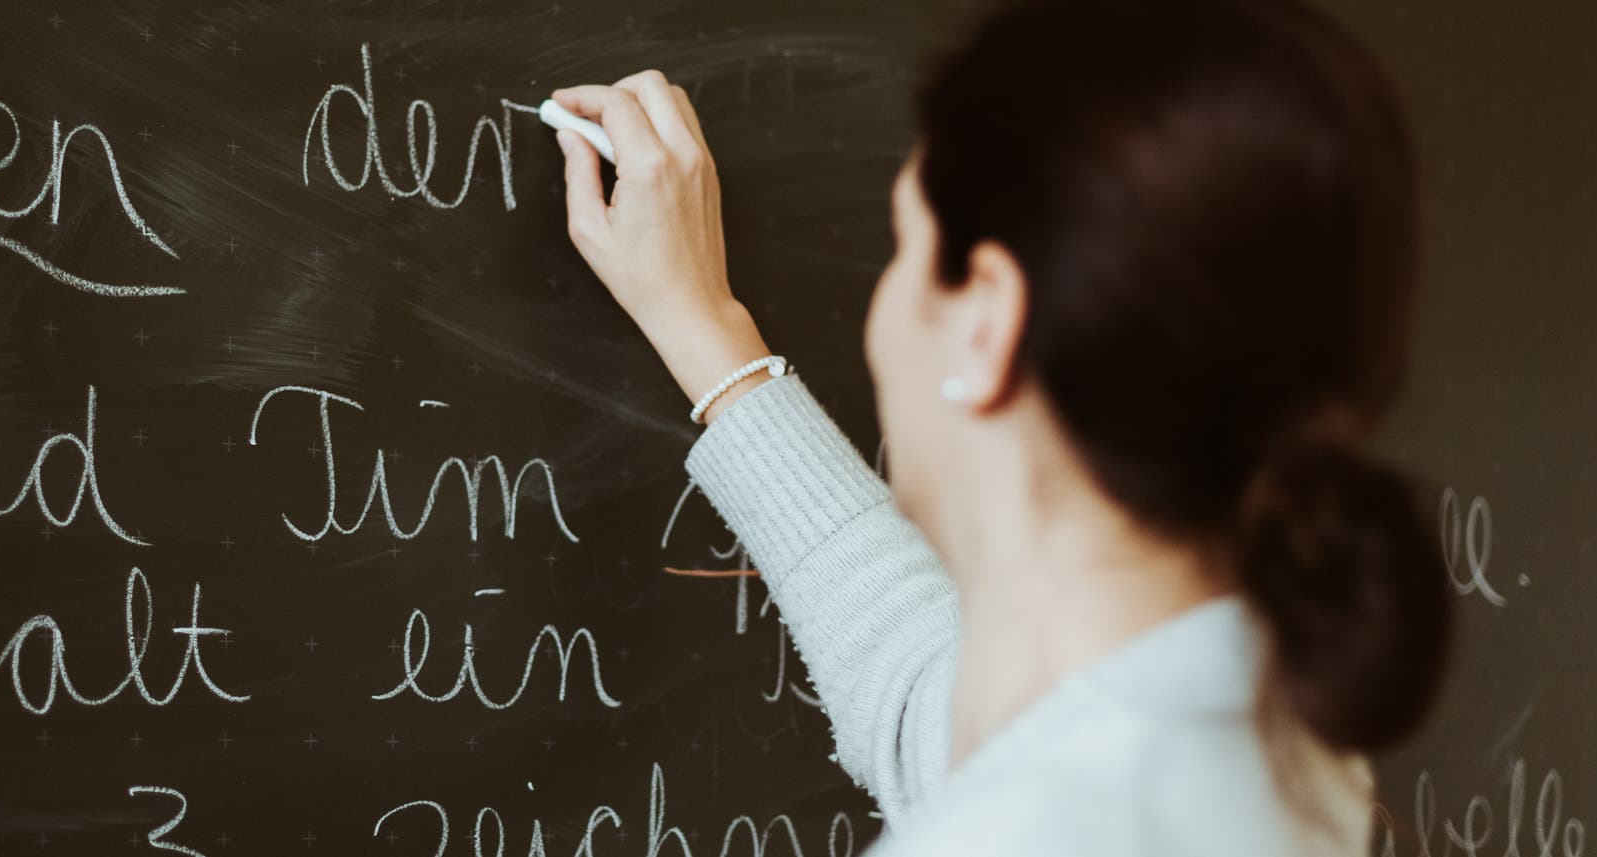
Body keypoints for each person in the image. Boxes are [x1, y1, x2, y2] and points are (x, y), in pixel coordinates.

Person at [548, 0, 1450, 853]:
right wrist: (703, 327)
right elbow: (931, 711)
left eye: (905, 249)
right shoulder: (1276, 747)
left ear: (987, 319)